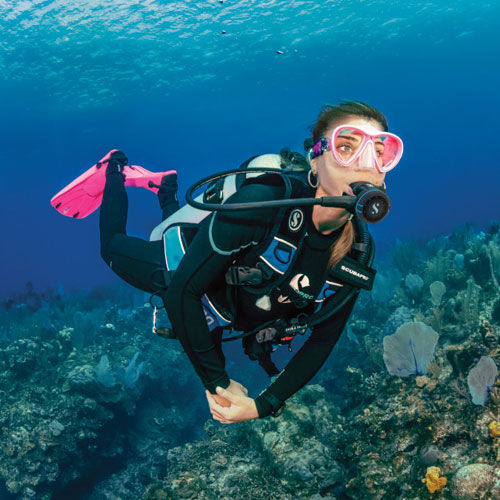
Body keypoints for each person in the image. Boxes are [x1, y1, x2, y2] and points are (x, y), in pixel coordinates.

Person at [98, 101, 404, 423]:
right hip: (188, 270)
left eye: (380, 153)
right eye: (346, 147)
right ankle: (114, 171)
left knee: (170, 231)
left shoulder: (357, 252)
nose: (365, 165)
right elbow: (181, 293)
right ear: (315, 160)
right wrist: (218, 382)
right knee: (112, 248)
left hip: (230, 307)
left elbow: (323, 338)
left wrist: (264, 404)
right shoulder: (263, 202)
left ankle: (166, 188)